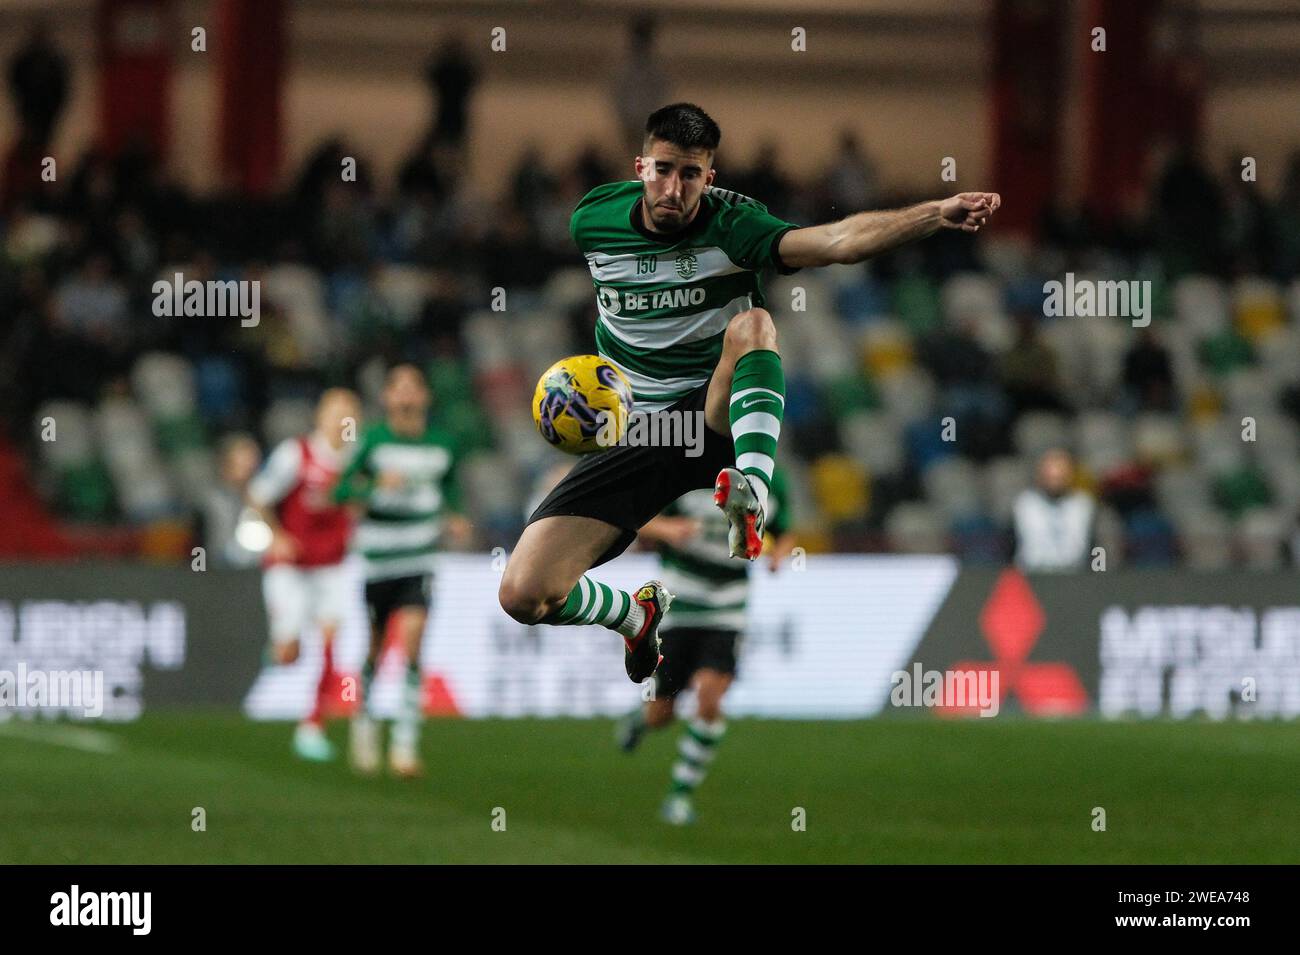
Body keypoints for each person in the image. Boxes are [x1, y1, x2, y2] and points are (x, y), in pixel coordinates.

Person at [499, 102, 1000, 684]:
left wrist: (935, 214)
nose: (674, 187)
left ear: (710, 178)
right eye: (663, 169)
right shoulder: (592, 219)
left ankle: (752, 494)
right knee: (523, 594)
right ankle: (635, 615)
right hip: (639, 427)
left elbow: (836, 240)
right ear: (640, 166)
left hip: (710, 413)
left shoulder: (735, 225)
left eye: (691, 174)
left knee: (755, 327)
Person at [618, 471, 794, 825]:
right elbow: (636, 517)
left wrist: (781, 556)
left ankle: (679, 796)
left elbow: (783, 530)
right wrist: (668, 530)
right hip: (678, 605)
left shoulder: (770, 477)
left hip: (728, 609)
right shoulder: (687, 468)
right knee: (661, 713)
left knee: (710, 697)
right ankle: (642, 719)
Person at [333, 364, 471, 778]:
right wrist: (374, 488)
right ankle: (364, 723)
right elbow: (340, 489)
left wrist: (455, 515)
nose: (408, 396)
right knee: (375, 647)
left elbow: (450, 490)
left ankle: (406, 744)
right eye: (400, 388)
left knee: (412, 642)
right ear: (388, 398)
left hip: (420, 557)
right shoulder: (373, 440)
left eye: (415, 387)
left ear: (425, 396)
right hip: (378, 559)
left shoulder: (443, 444)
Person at [246, 389, 361, 761]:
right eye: (336, 413)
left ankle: (312, 726)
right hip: (291, 568)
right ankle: (278, 652)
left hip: (332, 567)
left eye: (350, 414)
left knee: (330, 644)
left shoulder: (359, 460)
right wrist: (277, 536)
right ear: (320, 417)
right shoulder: (296, 453)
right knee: (289, 653)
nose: (343, 421)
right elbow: (259, 495)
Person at [1012, 449, 1095, 572]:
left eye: (1060, 475)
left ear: (1070, 474)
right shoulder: (1024, 504)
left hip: (1076, 578)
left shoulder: (1084, 505)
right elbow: (1007, 545)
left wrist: (1100, 574)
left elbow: (1099, 547)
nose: (1055, 477)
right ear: (1040, 474)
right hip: (1031, 577)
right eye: (1050, 474)